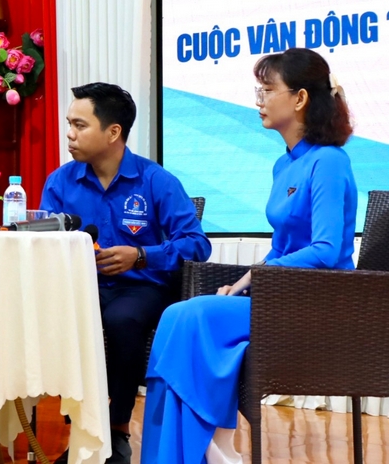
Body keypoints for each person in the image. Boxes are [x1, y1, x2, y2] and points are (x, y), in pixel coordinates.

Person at [140, 48, 358, 464]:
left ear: (299, 98)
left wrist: (255, 276)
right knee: (178, 316)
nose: (260, 100)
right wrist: (244, 284)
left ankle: (199, 448)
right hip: (280, 296)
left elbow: (327, 250)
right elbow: (282, 246)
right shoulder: (283, 165)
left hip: (316, 304)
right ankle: (196, 449)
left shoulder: (329, 161)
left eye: (268, 90)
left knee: (191, 316)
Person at [39, 82, 212, 464]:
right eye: (69, 124)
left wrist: (142, 255)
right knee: (47, 317)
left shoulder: (156, 181)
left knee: (122, 320)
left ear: (113, 132)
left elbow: (197, 243)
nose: (69, 134)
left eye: (80, 125)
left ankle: (116, 430)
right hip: (79, 288)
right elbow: (43, 240)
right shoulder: (60, 182)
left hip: (140, 288)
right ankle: (80, 430)